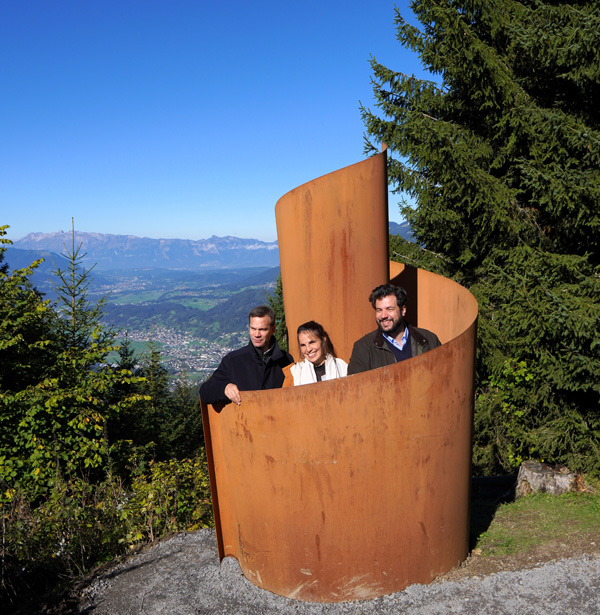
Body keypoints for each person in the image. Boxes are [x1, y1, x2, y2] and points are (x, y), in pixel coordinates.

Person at [199, 305, 293, 406]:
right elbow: (205, 392)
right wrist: (224, 388)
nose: (257, 334)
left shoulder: (286, 360)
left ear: (272, 329)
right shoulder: (233, 361)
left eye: (262, 329)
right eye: (253, 329)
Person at [347, 284, 441, 375]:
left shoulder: (429, 340)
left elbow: (443, 375)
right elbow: (355, 384)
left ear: (403, 310)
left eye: (389, 309)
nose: (383, 316)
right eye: (379, 310)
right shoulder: (363, 347)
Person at [283, 321, 348, 386]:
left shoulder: (342, 368)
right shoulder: (295, 374)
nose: (308, 349)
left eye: (312, 342)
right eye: (303, 345)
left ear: (323, 340)